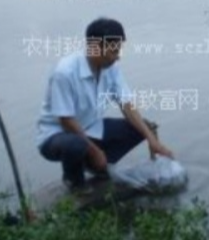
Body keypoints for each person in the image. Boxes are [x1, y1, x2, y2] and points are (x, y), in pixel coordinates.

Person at [37, 17, 174, 190]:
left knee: (142, 127)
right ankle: (74, 182)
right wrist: (94, 150)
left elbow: (127, 105)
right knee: (75, 144)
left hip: (91, 127)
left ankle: (97, 166)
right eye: (114, 51)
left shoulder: (111, 68)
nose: (117, 58)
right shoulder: (64, 72)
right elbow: (66, 120)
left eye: (119, 51)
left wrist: (152, 140)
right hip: (56, 135)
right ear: (95, 48)